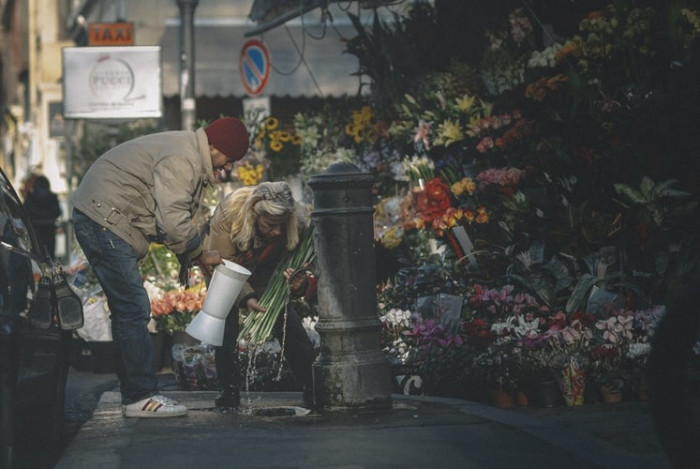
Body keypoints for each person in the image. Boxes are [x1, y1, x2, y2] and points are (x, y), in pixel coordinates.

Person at [72, 117, 250, 418]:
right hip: (103, 218)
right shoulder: (185, 158)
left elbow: (170, 218)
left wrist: (195, 254)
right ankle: (140, 396)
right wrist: (198, 253)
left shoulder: (186, 150)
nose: (228, 167)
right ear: (217, 147)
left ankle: (135, 392)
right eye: (230, 159)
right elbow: (172, 219)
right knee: (132, 307)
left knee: (127, 307)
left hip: (101, 216)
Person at [204, 181, 317, 410]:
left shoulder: (298, 223)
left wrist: (296, 284)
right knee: (224, 317)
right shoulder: (229, 213)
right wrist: (246, 297)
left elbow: (303, 271)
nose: (277, 231)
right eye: (270, 225)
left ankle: (313, 384)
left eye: (281, 226)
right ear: (254, 213)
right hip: (225, 265)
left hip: (266, 269)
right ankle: (229, 393)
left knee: (282, 317)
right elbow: (220, 265)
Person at [23, 175, 62, 259]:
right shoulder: (52, 197)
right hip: (49, 230)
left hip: (35, 231)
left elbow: (24, 213)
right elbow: (57, 212)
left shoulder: (30, 198)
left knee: (37, 257)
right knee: (50, 257)